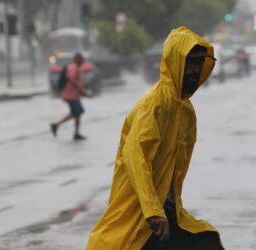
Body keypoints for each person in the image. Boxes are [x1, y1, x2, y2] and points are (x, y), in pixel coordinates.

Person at [86, 27, 224, 250]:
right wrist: (152, 212)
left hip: (168, 213)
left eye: (199, 63)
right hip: (141, 213)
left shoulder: (185, 110)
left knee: (207, 242)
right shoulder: (153, 105)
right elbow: (137, 159)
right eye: (189, 62)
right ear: (174, 62)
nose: (194, 70)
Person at [50, 53, 88, 140]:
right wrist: (81, 89)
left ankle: (76, 132)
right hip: (70, 95)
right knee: (75, 112)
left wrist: (80, 91)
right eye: (81, 59)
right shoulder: (73, 67)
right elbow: (72, 78)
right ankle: (56, 125)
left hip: (74, 95)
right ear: (77, 59)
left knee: (79, 112)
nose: (83, 61)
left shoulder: (74, 66)